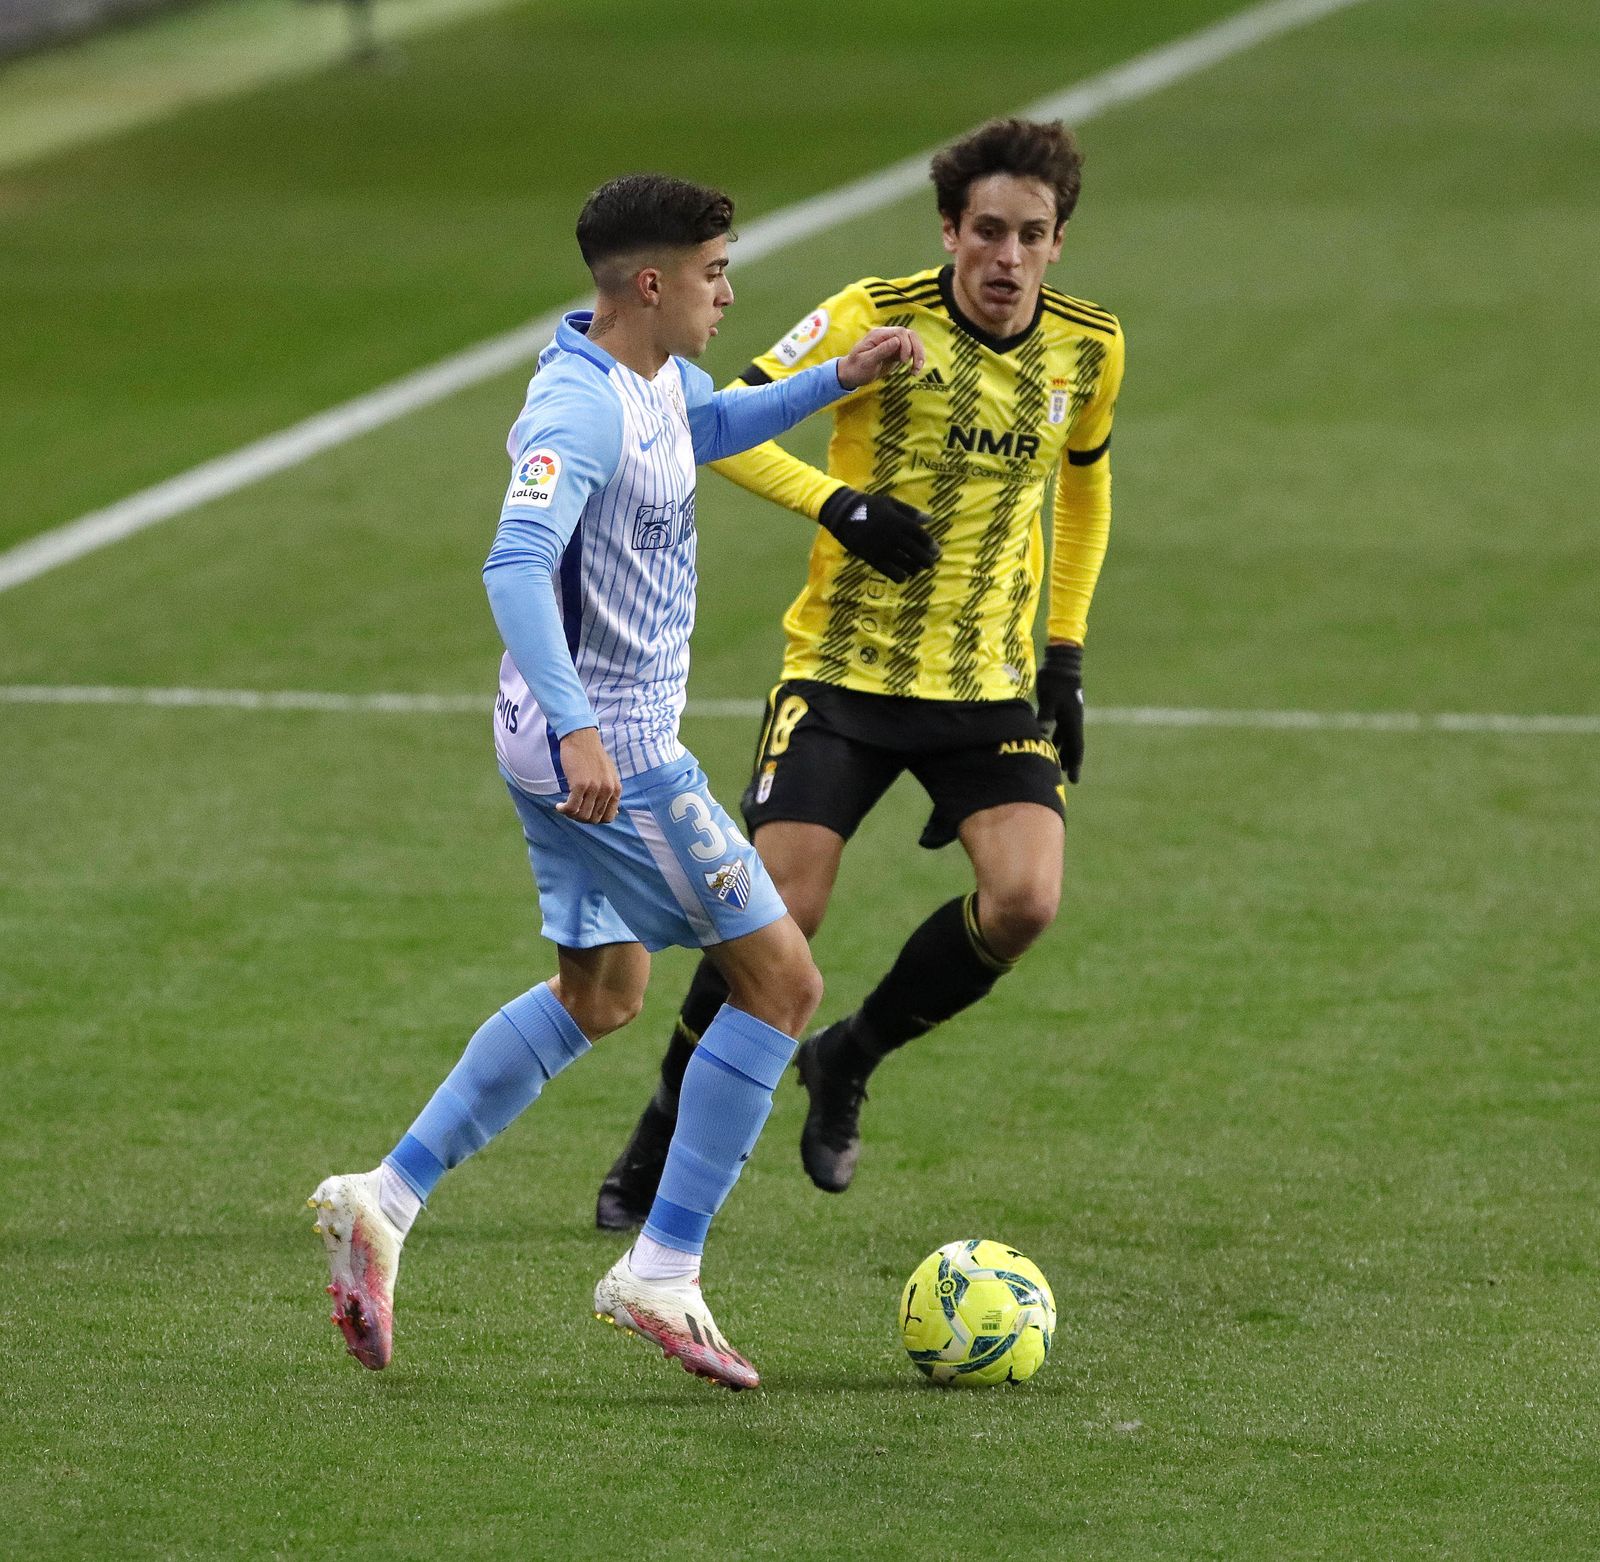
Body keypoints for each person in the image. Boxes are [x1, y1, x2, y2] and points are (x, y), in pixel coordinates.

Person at [308, 172, 927, 1391]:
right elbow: (513, 563)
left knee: (601, 992)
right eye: (714, 273)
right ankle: (661, 1266)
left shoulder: (652, 378)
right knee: (783, 982)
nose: (728, 294)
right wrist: (584, 729)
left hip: (562, 739)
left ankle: (384, 1197)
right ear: (652, 282)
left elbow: (710, 426)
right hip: (614, 751)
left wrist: (837, 378)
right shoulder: (577, 408)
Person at [595, 118, 1125, 1229]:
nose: (1007, 257)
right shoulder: (872, 315)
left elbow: (1082, 490)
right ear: (949, 230)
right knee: (775, 913)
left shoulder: (1089, 348)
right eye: (987, 231)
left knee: (1025, 901)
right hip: (843, 676)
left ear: (1058, 242)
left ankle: (849, 1055)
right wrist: (838, 502)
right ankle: (659, 1132)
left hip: (985, 688)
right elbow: (710, 423)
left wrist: (1065, 653)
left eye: (1031, 236)